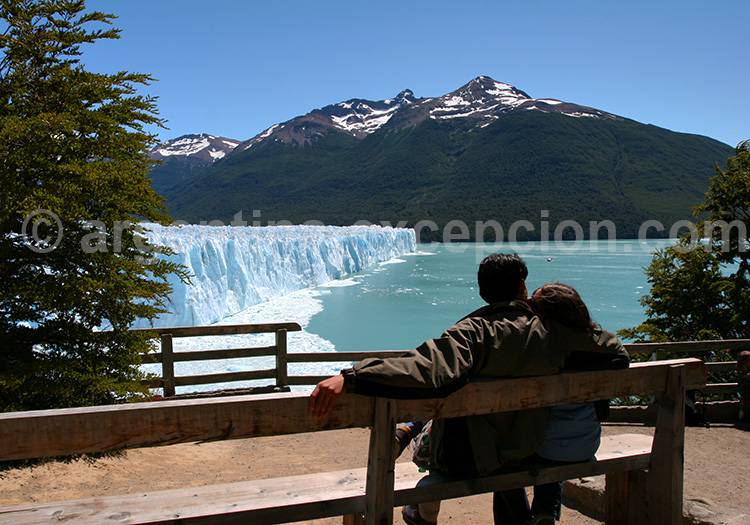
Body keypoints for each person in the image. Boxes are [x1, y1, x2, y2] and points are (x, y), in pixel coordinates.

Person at [309, 254, 625, 524]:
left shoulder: (473, 332)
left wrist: (352, 376)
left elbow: (427, 367)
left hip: (472, 456)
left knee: (442, 414)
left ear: (483, 291)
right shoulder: (552, 332)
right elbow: (612, 351)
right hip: (524, 447)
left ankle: (408, 441)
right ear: (522, 288)